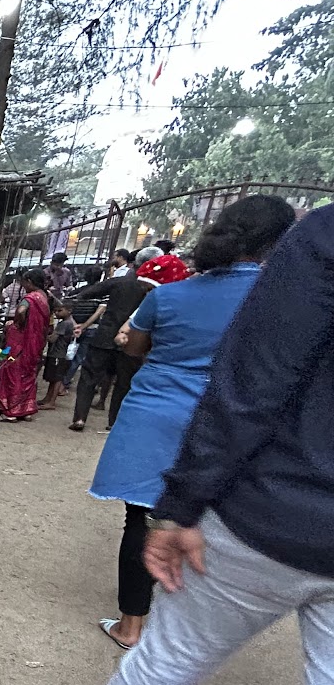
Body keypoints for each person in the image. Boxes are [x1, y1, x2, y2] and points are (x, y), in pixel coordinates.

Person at [45, 202, 334, 685]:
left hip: (279, 505)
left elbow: (254, 384)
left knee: (175, 648)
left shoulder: (316, 247)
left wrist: (183, 503)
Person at [84, 194, 295, 650]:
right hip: (234, 422)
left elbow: (135, 348)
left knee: (142, 519)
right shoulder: (283, 303)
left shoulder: (170, 296)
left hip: (156, 413)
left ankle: (130, 626)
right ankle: (185, 632)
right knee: (215, 523)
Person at [67, 245, 158, 430]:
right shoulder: (155, 290)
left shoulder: (120, 282)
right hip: (134, 341)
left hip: (105, 336)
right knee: (123, 384)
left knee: (89, 378)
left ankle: (80, 418)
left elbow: (88, 293)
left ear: (134, 263)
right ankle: (114, 423)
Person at [0, 270, 50, 420]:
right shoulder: (44, 297)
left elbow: (21, 310)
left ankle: (11, 410)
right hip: (36, 341)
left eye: (24, 283)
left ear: (30, 282)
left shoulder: (30, 298)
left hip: (22, 340)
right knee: (28, 372)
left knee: (13, 371)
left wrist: (16, 323)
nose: (23, 286)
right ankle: (26, 409)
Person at [40, 300, 75, 410]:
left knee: (56, 379)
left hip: (58, 354)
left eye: (60, 311)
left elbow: (53, 339)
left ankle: (51, 401)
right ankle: (48, 398)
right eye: (55, 311)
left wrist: (44, 334)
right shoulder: (69, 323)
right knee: (53, 378)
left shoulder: (64, 324)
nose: (57, 313)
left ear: (69, 311)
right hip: (59, 353)